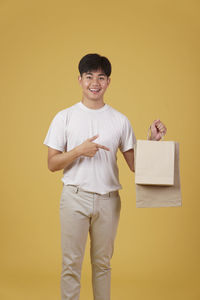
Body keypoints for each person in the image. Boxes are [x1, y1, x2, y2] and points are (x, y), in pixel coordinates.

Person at [43, 53, 167, 300]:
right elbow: (52, 163)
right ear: (80, 80)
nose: (94, 83)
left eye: (101, 77)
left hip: (109, 201)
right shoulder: (64, 117)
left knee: (102, 266)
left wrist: (152, 141)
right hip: (74, 198)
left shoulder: (119, 120)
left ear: (108, 82)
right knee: (71, 265)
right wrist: (79, 151)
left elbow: (136, 166)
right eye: (89, 76)